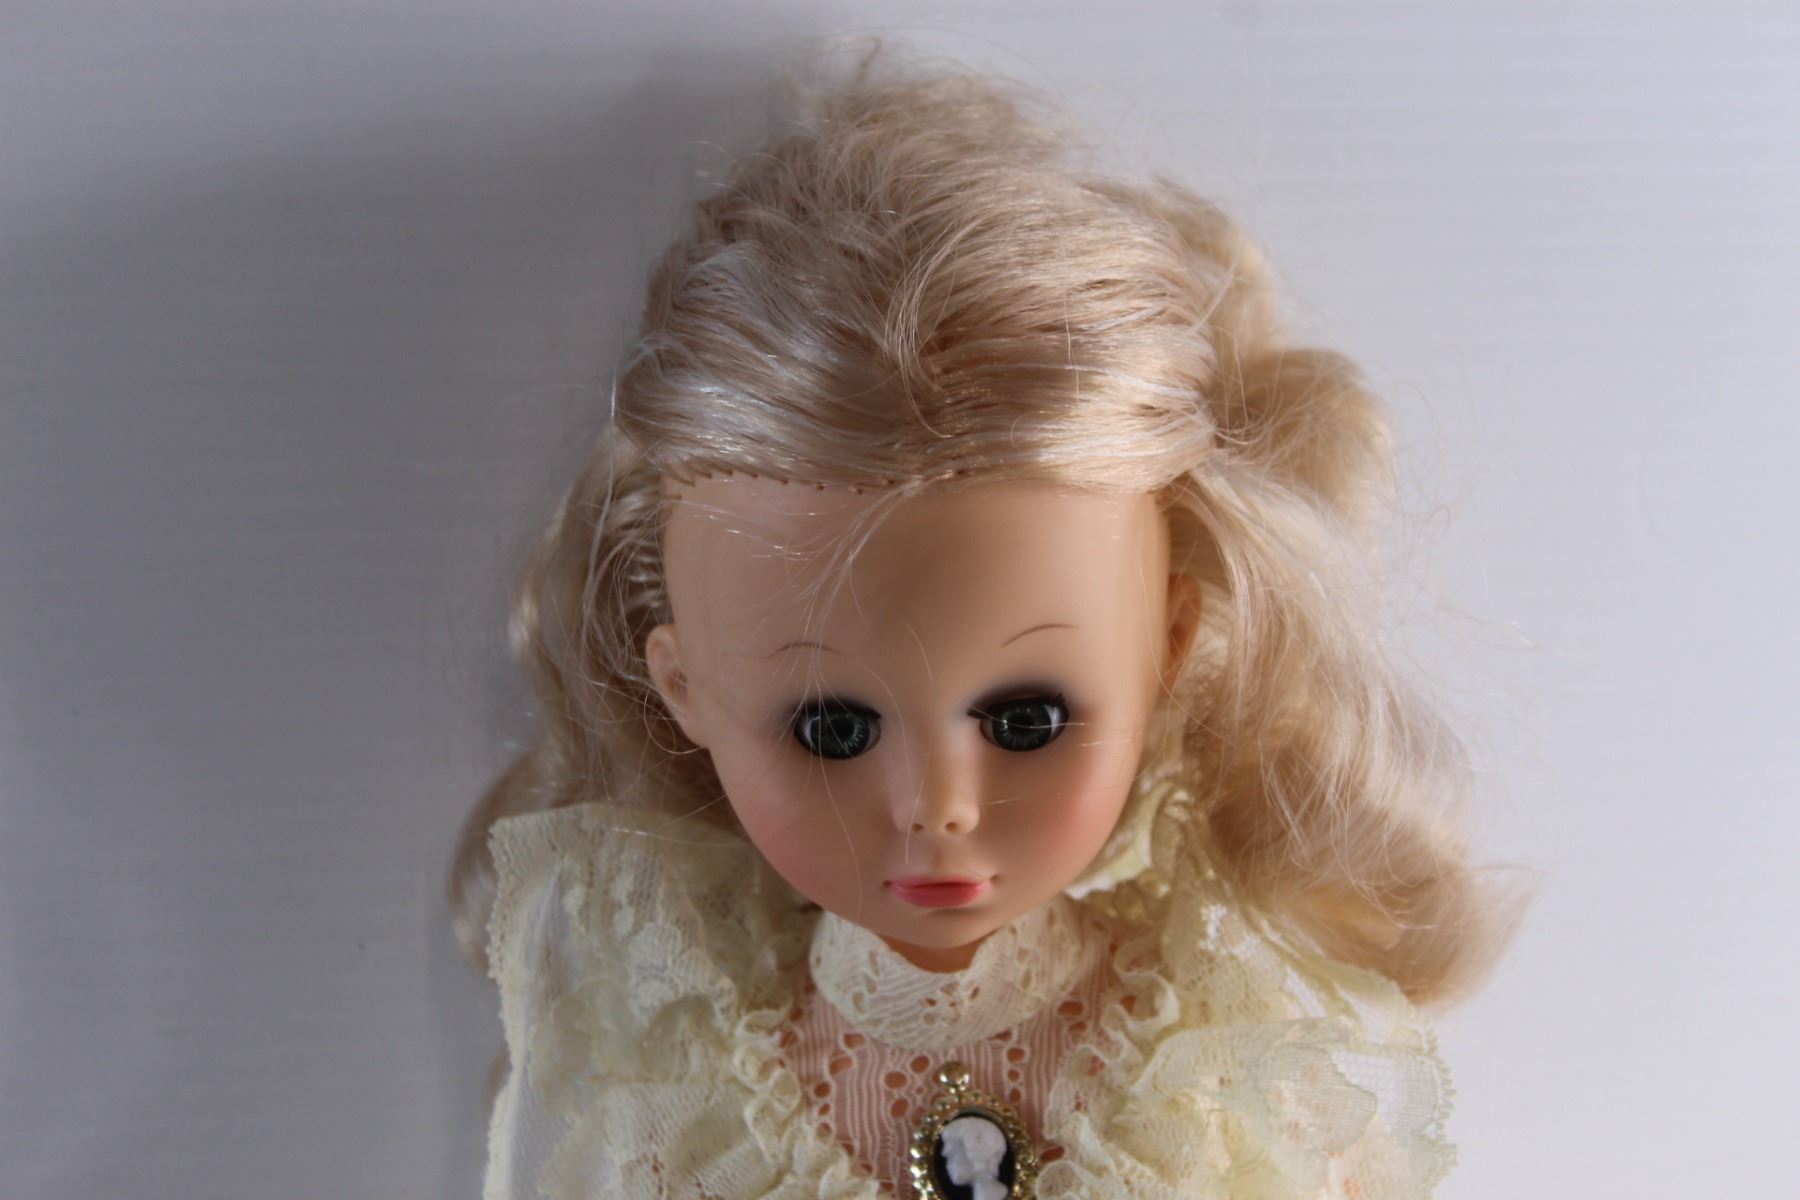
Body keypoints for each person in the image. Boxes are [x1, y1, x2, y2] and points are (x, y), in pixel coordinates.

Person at [449, 45, 1526, 1200]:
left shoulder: (1224, 1066)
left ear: (1169, 647)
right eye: (832, 730)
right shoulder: (670, 1085)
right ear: (685, 691)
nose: (937, 807)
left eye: (1026, 720)